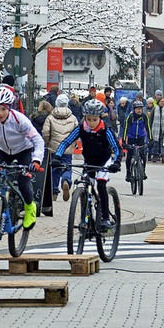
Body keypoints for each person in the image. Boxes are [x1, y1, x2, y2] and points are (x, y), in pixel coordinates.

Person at [55, 99, 122, 231]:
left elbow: (117, 148)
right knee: (85, 184)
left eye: (94, 120)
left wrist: (117, 162)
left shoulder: (106, 130)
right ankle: (85, 218)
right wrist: (57, 156)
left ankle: (105, 218)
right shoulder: (81, 129)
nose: (91, 123)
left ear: (99, 118)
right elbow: (66, 142)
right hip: (89, 161)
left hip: (104, 161)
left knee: (101, 183)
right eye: (88, 119)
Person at [0, 86, 45, 230]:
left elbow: (38, 140)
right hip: (3, 151)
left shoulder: (20, 120)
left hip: (23, 150)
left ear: (9, 108)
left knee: (23, 182)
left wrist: (36, 160)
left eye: (3, 109)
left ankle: (30, 207)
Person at [43, 94, 78, 202]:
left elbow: (45, 132)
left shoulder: (51, 117)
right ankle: (66, 180)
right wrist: (74, 142)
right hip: (67, 148)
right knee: (67, 167)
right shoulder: (72, 118)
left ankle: (54, 191)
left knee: (54, 169)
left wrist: (48, 142)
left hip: (54, 148)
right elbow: (77, 131)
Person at [123, 100, 151, 181]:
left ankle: (143, 172)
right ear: (134, 109)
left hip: (141, 138)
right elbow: (125, 129)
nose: (139, 110)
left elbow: (148, 128)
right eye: (137, 108)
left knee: (143, 155)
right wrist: (124, 141)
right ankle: (128, 173)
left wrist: (151, 139)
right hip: (131, 138)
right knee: (129, 156)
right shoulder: (130, 117)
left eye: (141, 108)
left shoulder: (144, 116)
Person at [151, 97, 164, 164]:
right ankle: (155, 156)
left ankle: (163, 157)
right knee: (156, 143)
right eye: (161, 101)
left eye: (163, 101)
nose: (162, 103)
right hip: (156, 128)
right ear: (158, 102)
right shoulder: (155, 109)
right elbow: (151, 118)